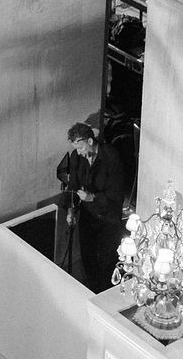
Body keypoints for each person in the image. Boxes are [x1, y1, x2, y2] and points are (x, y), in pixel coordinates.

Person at [56, 122, 126, 294]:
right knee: (88, 257)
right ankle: (92, 292)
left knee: (107, 260)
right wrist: (71, 209)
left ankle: (106, 296)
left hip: (108, 219)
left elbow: (116, 194)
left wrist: (93, 197)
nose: (78, 152)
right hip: (88, 217)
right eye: (76, 148)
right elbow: (73, 185)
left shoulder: (111, 157)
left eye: (80, 148)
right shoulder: (76, 157)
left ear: (89, 140)